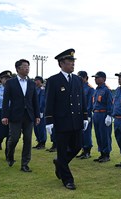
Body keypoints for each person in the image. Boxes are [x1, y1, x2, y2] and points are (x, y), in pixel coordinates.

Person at [45, 49, 88, 190]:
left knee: (77, 146)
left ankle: (59, 163)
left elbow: (82, 99)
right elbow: (49, 101)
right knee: (62, 151)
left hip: (76, 120)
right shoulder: (53, 80)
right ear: (61, 64)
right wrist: (49, 120)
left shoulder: (77, 80)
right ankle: (67, 179)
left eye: (73, 62)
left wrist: (85, 116)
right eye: (69, 62)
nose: (72, 65)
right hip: (61, 121)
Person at [2, 60, 40, 172]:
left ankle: (25, 164)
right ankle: (10, 155)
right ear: (17, 69)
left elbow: (35, 101)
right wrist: (5, 116)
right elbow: (5, 101)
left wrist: (37, 115)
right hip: (15, 115)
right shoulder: (10, 83)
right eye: (24, 67)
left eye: (28, 66)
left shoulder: (32, 83)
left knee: (28, 140)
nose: (27, 69)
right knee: (14, 138)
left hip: (29, 115)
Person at [92, 71, 113, 163]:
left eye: (97, 77)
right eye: (95, 78)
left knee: (105, 135)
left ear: (103, 79)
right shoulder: (96, 90)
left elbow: (110, 103)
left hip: (103, 114)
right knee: (98, 135)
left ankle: (106, 154)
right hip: (96, 114)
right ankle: (101, 153)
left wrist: (109, 115)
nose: (95, 79)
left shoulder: (106, 90)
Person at [76, 71, 95, 159]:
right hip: (78, 114)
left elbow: (91, 103)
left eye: (80, 77)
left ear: (85, 78)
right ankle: (83, 150)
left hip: (86, 114)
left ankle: (87, 151)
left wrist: (88, 115)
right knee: (81, 133)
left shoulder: (90, 89)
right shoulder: (77, 87)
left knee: (86, 133)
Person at [33, 76, 47, 150]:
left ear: (40, 81)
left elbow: (42, 101)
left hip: (40, 111)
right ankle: (39, 141)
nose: (35, 82)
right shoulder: (35, 89)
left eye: (36, 80)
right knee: (36, 128)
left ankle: (42, 143)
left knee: (41, 127)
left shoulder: (42, 89)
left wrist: (41, 111)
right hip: (35, 111)